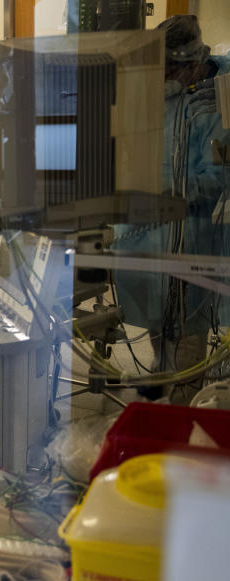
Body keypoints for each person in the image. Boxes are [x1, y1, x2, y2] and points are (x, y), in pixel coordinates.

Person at [113, 14, 230, 402]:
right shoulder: (161, 93)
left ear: (191, 61)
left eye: (169, 68)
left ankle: (184, 412)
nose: (163, 76)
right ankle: (165, 390)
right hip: (153, 235)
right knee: (160, 321)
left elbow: (220, 179)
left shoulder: (219, 99)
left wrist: (173, 190)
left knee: (190, 335)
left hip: (198, 237)